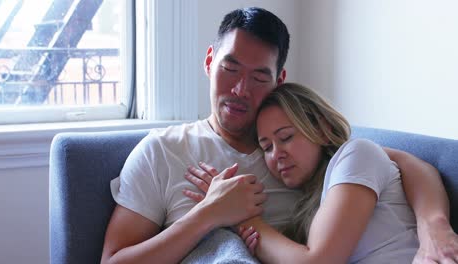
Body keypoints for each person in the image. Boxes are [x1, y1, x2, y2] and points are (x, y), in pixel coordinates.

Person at [100, 7, 457, 263]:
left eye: (259, 77)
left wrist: (434, 227)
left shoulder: (307, 155)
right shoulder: (162, 151)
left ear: (278, 80)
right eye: (230, 68)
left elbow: (406, 163)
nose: (241, 89)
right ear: (209, 62)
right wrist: (209, 214)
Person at [184, 82, 449, 263]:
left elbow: (318, 261)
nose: (276, 154)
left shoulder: (356, 155)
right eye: (266, 147)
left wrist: (241, 216)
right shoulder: (314, 201)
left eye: (286, 137)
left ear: (321, 129)